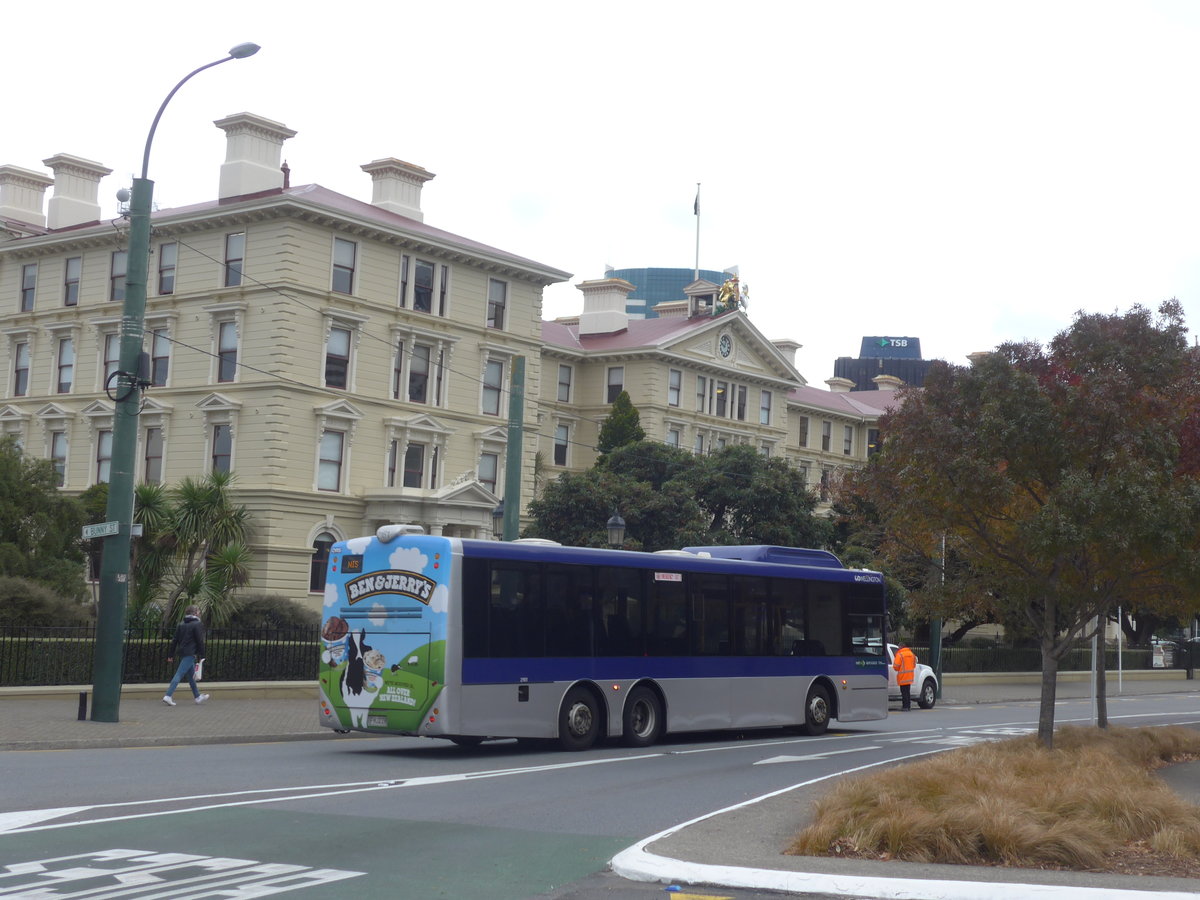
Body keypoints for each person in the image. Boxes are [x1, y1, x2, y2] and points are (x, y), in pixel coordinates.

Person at [163, 605, 210, 706]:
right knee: (179, 674)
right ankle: (168, 695)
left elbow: (174, 640)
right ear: (194, 613)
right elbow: (200, 641)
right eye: (198, 611)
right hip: (190, 653)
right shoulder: (197, 624)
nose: (199, 613)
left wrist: (170, 654)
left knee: (191, 677)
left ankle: (197, 697)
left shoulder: (181, 624)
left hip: (183, 652)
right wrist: (202, 654)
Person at [893, 642, 917, 710]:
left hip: (903, 676)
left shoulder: (900, 654)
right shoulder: (911, 654)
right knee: (907, 692)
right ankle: (908, 706)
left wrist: (898, 669)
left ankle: (905, 706)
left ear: (900, 647)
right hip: (909, 676)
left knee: (904, 693)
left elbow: (896, 666)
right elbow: (914, 665)